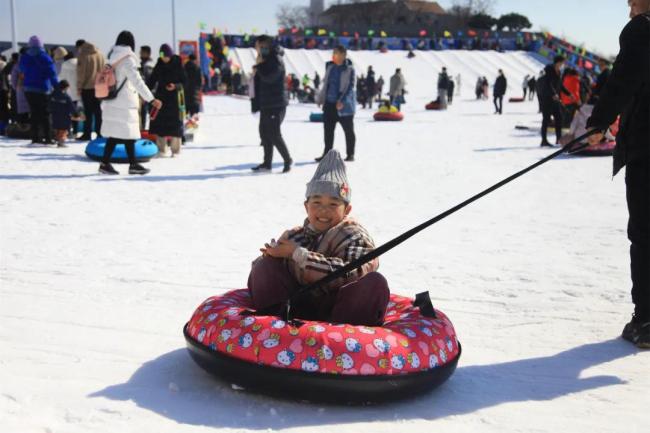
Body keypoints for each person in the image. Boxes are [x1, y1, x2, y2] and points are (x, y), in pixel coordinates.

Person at [247, 149, 390, 326]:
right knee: (264, 267)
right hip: (296, 310)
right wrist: (271, 256)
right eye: (316, 203)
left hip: (339, 310)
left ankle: (343, 344)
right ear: (306, 207)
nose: (324, 210)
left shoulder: (355, 236)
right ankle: (274, 330)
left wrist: (299, 255)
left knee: (374, 283)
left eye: (333, 204)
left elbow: (353, 272)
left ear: (346, 210)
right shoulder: (294, 235)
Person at [586, 1, 650, 348]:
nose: (629, 11)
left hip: (647, 147)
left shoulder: (643, 28)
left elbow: (623, 80)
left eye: (632, 2)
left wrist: (598, 122)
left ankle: (647, 321)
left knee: (645, 233)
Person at [99, 31, 162, 175]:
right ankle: (129, 164)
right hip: (124, 103)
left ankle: (114, 163)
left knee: (121, 134)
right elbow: (138, 82)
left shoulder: (110, 58)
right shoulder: (127, 60)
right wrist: (151, 99)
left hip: (111, 101)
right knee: (127, 133)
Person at [249, 35, 293, 173]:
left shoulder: (276, 59)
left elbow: (271, 77)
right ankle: (267, 163)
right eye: (259, 47)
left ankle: (287, 160)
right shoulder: (265, 59)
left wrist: (259, 68)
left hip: (276, 102)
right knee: (264, 133)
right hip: (266, 102)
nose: (260, 49)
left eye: (262, 46)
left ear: (268, 45)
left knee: (274, 133)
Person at [315, 45, 356, 162]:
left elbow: (350, 87)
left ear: (343, 55)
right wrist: (320, 98)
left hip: (344, 106)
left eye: (336, 53)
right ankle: (327, 154)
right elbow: (325, 85)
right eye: (333, 53)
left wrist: (342, 101)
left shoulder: (350, 69)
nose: (334, 55)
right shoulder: (330, 68)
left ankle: (350, 154)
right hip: (329, 103)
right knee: (328, 130)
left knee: (348, 130)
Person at [148, 44, 187, 157]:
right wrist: (145, 92)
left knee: (175, 125)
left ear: (170, 55)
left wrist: (175, 86)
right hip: (161, 99)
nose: (163, 58)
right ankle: (162, 149)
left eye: (165, 56)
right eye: (161, 55)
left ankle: (176, 150)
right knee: (160, 125)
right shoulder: (159, 65)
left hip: (174, 100)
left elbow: (185, 82)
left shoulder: (178, 65)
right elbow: (152, 80)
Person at [19, 35, 58, 144]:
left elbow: (22, 69)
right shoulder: (45, 57)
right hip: (43, 88)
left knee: (34, 113)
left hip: (28, 89)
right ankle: (48, 138)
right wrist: (57, 87)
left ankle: (35, 137)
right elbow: (52, 73)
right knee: (45, 114)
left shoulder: (24, 57)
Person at [538, 55, 572, 147]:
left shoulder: (559, 72)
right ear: (557, 62)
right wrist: (553, 94)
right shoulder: (549, 71)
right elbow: (548, 84)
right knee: (546, 120)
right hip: (547, 99)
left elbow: (560, 85)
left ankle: (558, 139)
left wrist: (568, 93)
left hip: (555, 100)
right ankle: (544, 140)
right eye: (562, 62)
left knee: (559, 118)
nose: (562, 64)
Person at [76, 39, 105, 140]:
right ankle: (99, 132)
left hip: (87, 87)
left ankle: (87, 133)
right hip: (99, 87)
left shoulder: (83, 55)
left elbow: (81, 73)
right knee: (98, 112)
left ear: (80, 46)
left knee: (88, 112)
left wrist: (79, 86)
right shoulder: (100, 54)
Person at [58, 52, 80, 137]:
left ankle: (68, 131)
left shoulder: (64, 65)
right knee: (76, 112)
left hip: (67, 93)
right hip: (77, 93)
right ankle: (75, 131)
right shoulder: (78, 63)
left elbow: (61, 78)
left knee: (67, 113)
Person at [48, 80, 76, 147]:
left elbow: (49, 103)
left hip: (54, 115)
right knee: (63, 130)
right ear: (65, 87)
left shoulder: (53, 94)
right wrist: (75, 113)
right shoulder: (66, 96)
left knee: (57, 128)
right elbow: (71, 106)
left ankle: (56, 139)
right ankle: (61, 142)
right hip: (64, 116)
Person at [138, 45, 155, 130]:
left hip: (147, 95)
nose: (139, 54)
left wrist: (145, 95)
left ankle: (145, 132)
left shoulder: (148, 66)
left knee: (146, 114)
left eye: (141, 52)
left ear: (147, 53)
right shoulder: (143, 64)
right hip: (145, 94)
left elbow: (149, 82)